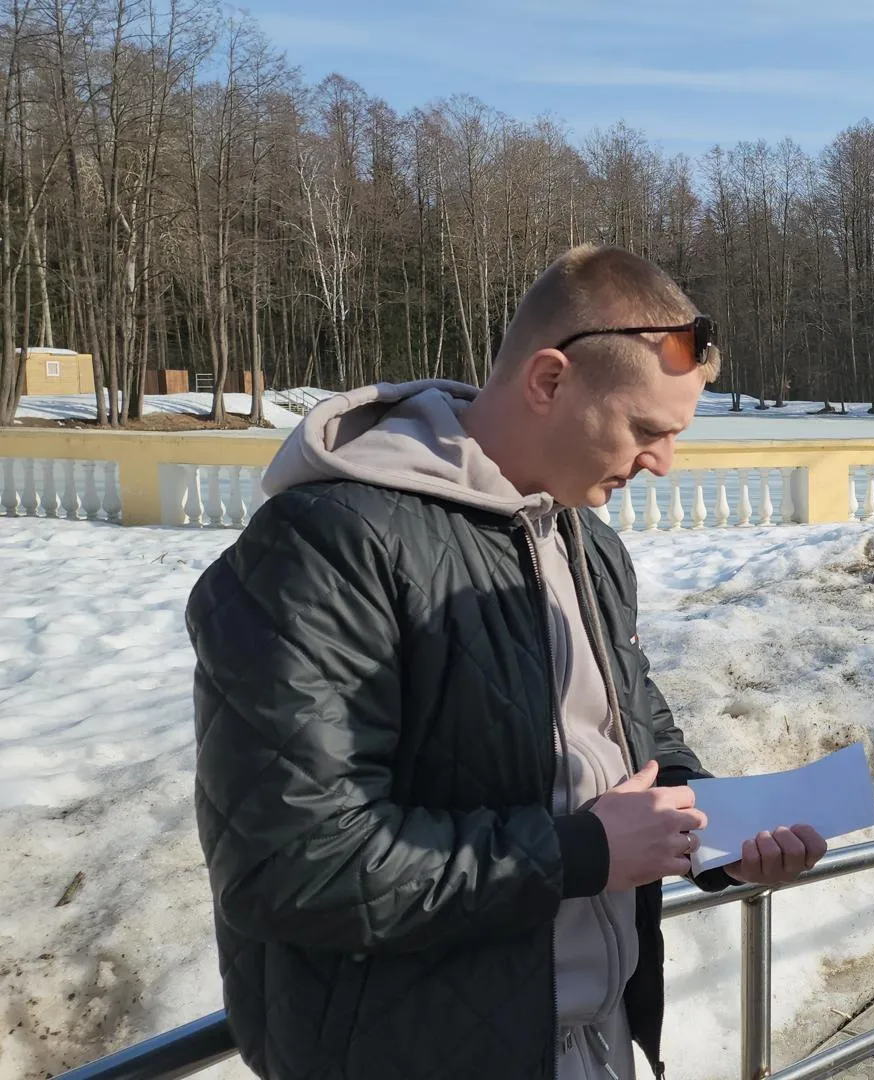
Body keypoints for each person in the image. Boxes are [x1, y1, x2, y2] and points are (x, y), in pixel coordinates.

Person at [185, 246, 828, 1080]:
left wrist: (717, 836)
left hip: (594, 1045)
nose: (664, 463)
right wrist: (581, 854)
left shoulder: (584, 542)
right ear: (550, 380)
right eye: (646, 430)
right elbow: (291, 864)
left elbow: (634, 733)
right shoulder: (326, 546)